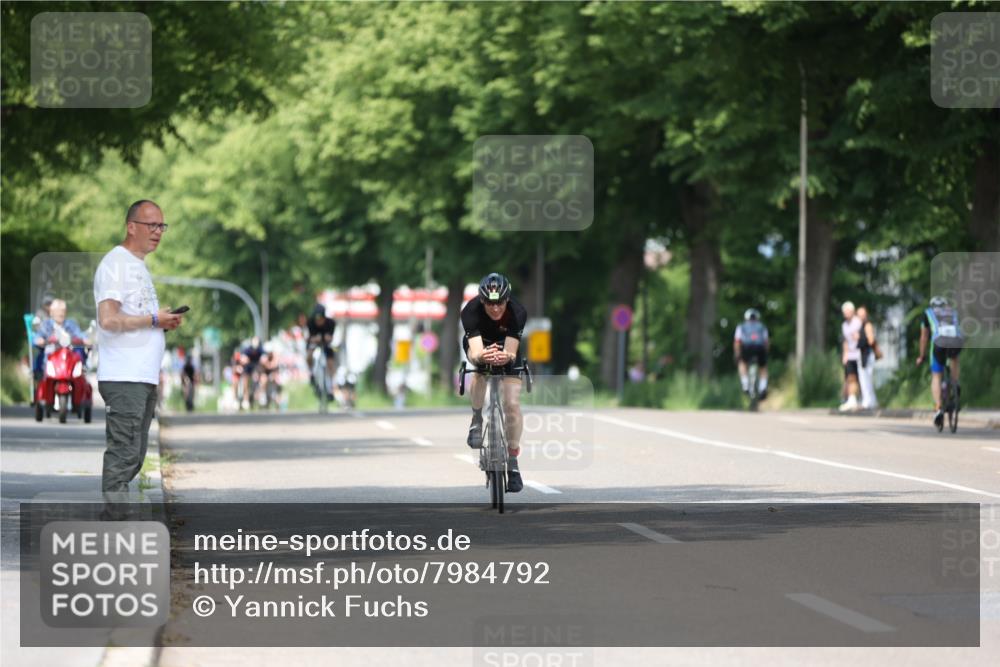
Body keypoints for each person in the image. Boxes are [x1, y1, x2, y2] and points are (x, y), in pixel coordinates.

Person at [93, 200, 184, 493]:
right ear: (131, 227)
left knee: (133, 458)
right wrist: (154, 319)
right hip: (124, 376)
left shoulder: (137, 266)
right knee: (123, 458)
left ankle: (117, 516)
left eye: (161, 226)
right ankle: (115, 519)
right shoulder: (116, 264)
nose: (158, 231)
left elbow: (136, 317)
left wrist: (160, 322)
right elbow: (108, 319)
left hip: (141, 376)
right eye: (151, 225)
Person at [461, 273, 528, 493]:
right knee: (479, 371)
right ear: (482, 300)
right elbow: (476, 352)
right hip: (480, 345)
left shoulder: (517, 312)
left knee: (512, 404)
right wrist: (483, 357)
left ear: (507, 299)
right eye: (490, 303)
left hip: (506, 347)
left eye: (500, 302)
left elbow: (511, 350)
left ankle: (513, 461)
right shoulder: (470, 311)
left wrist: (506, 356)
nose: (496, 308)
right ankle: (477, 418)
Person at [916, 295, 963, 429]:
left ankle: (938, 408)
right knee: (954, 358)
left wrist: (921, 356)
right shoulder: (953, 312)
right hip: (956, 340)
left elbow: (924, 336)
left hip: (939, 341)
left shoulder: (928, 313)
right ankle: (955, 382)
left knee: (936, 375)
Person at [733, 308, 770, 399]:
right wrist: (765, 353)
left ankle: (745, 385)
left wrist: (737, 353)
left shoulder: (741, 326)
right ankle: (763, 388)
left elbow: (737, 341)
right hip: (760, 348)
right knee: (763, 368)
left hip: (747, 348)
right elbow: (766, 342)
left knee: (742, 364)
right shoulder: (762, 327)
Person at [306, 304, 336, 398]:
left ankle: (330, 386)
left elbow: (330, 337)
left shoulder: (331, 323)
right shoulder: (310, 323)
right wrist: (316, 339)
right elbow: (309, 338)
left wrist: (324, 338)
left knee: (330, 362)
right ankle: (312, 373)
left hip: (326, 344)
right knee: (309, 355)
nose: (318, 321)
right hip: (314, 343)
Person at [839, 301, 862, 412]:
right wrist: (845, 354)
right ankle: (851, 399)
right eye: (844, 312)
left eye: (847, 311)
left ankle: (860, 399)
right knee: (850, 377)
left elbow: (863, 336)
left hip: (859, 354)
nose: (845, 313)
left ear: (852, 311)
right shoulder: (844, 325)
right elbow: (845, 341)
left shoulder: (858, 322)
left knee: (859, 378)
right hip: (850, 355)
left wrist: (858, 336)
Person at [856, 306, 879, 410]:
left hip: (867, 354)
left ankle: (868, 401)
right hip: (863, 354)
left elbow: (871, 340)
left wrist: (860, 339)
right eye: (859, 315)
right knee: (864, 379)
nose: (861, 317)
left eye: (862, 315)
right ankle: (871, 401)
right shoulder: (860, 326)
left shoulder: (867, 325)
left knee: (866, 379)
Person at [239, 335, 265, 409]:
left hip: (257, 368)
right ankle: (246, 399)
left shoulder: (260, 349)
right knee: (245, 381)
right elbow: (243, 359)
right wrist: (245, 359)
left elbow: (264, 358)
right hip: (248, 368)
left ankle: (260, 395)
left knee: (263, 378)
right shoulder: (247, 350)